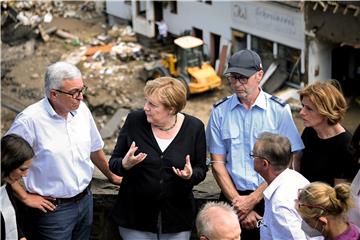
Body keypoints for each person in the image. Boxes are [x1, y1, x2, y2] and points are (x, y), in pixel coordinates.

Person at [5, 61, 122, 240]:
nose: (81, 97)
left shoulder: (82, 110)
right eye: (74, 92)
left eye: (82, 90)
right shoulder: (29, 121)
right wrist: (24, 197)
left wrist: (111, 175)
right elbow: (4, 162)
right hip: (53, 211)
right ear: (54, 94)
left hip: (85, 201)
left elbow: (94, 148)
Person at [206, 49, 304, 239]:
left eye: (242, 78)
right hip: (231, 196)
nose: (236, 84)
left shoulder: (278, 110)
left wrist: (253, 199)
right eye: (232, 78)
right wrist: (239, 203)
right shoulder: (219, 112)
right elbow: (217, 163)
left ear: (259, 75)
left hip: (271, 195)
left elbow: (290, 161)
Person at [109, 77, 207, 240]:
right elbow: (114, 163)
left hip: (177, 218)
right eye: (146, 101)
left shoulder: (194, 127)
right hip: (135, 217)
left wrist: (190, 175)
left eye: (152, 105)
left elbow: (201, 169)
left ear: (171, 108)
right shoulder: (134, 121)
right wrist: (124, 164)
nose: (145, 108)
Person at [297, 80, 357, 186]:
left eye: (309, 109)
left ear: (327, 112)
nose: (301, 113)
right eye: (303, 106)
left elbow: (339, 193)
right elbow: (297, 161)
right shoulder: (310, 131)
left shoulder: (346, 145)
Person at [252, 132, 309, 239]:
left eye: (253, 155)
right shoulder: (296, 178)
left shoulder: (280, 206)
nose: (252, 158)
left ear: (264, 163)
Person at [1, 134, 34, 240]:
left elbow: (13, 219)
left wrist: (21, 236)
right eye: (22, 169)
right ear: (8, 164)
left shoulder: (6, 186)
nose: (25, 175)